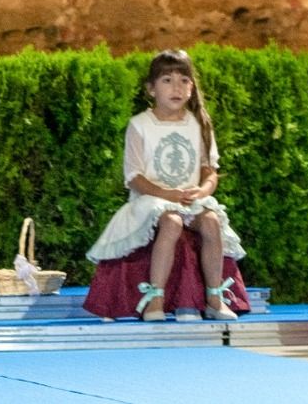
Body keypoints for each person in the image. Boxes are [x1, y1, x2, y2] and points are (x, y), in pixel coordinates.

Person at [85, 50, 245, 321]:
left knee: (211, 222)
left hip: (189, 198)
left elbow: (210, 171)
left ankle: (214, 297)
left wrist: (203, 190)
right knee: (171, 222)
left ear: (192, 88)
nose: (177, 88)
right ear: (151, 89)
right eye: (167, 80)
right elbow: (134, 176)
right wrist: (165, 193)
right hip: (150, 199)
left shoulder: (199, 125)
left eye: (184, 81)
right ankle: (154, 298)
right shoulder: (140, 125)